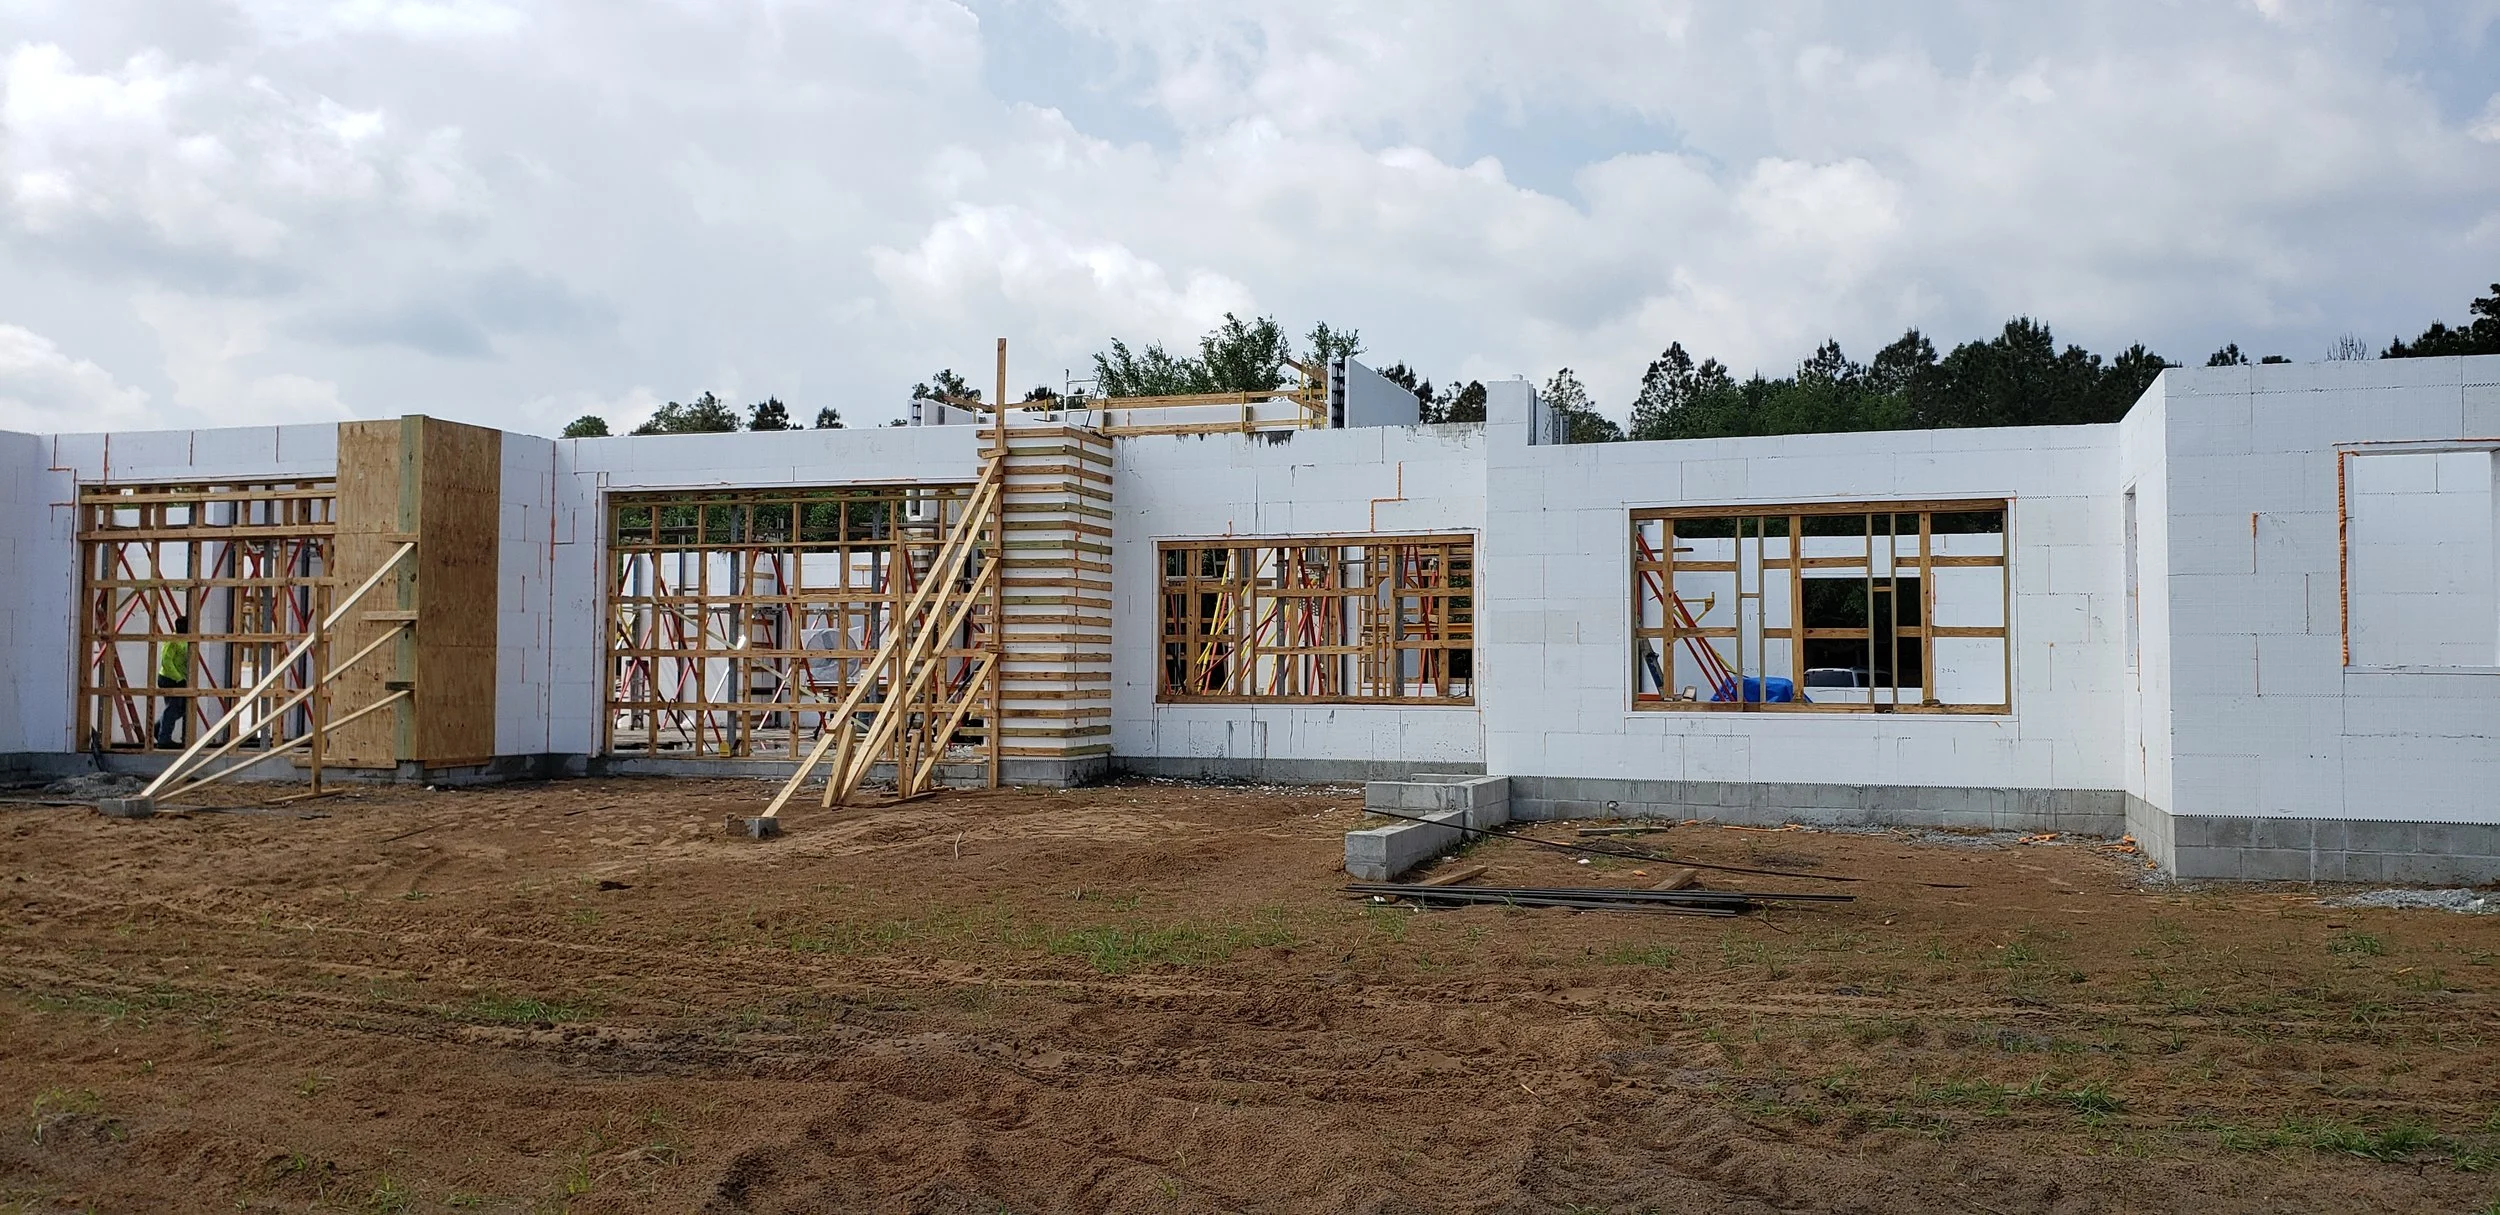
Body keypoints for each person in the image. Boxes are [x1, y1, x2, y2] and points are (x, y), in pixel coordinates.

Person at [154, 614, 191, 749]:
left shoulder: (186, 640)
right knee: (173, 707)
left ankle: (158, 729)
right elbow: (166, 662)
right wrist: (178, 678)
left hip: (179, 679)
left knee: (181, 709)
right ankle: (164, 739)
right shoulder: (172, 640)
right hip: (169, 679)